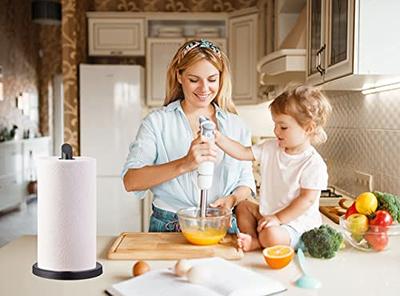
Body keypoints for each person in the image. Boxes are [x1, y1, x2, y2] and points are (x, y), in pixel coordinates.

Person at [122, 39, 256, 232]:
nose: (204, 89)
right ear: (179, 76)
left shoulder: (236, 125)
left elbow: (246, 181)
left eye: (212, 79)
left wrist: (232, 199)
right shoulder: (157, 122)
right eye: (194, 80)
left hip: (222, 225)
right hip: (170, 226)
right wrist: (185, 163)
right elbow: (131, 181)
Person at [213, 85, 332, 251]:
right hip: (270, 217)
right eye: (275, 124)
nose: (276, 131)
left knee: (271, 235)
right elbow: (242, 152)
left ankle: (257, 243)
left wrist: (278, 218)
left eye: (283, 127)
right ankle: (252, 238)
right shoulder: (271, 148)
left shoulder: (313, 163)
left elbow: (306, 200)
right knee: (243, 206)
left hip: (296, 225)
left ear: (308, 128)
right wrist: (218, 138)